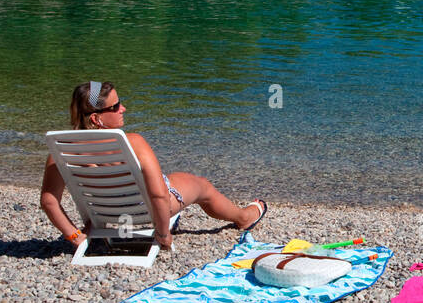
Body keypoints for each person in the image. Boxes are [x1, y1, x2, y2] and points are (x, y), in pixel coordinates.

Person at [41, 81, 267, 251]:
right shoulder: (133, 142)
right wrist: (162, 234)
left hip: (104, 214)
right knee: (203, 186)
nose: (124, 108)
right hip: (149, 210)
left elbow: (49, 201)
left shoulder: (62, 149)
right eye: (116, 106)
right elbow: (159, 197)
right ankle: (243, 217)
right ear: (96, 119)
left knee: (176, 177)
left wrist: (75, 237)